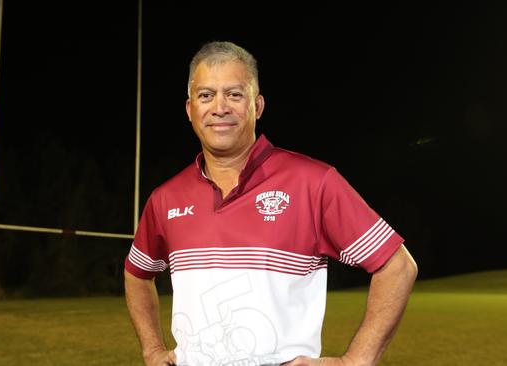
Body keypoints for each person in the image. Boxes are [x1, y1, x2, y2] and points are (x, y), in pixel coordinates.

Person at [124, 41, 418, 366]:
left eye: (234, 94)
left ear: (258, 105)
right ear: (190, 109)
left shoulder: (312, 182)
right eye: (206, 95)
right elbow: (137, 273)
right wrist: (152, 350)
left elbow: (398, 267)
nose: (219, 107)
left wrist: (356, 360)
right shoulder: (166, 198)